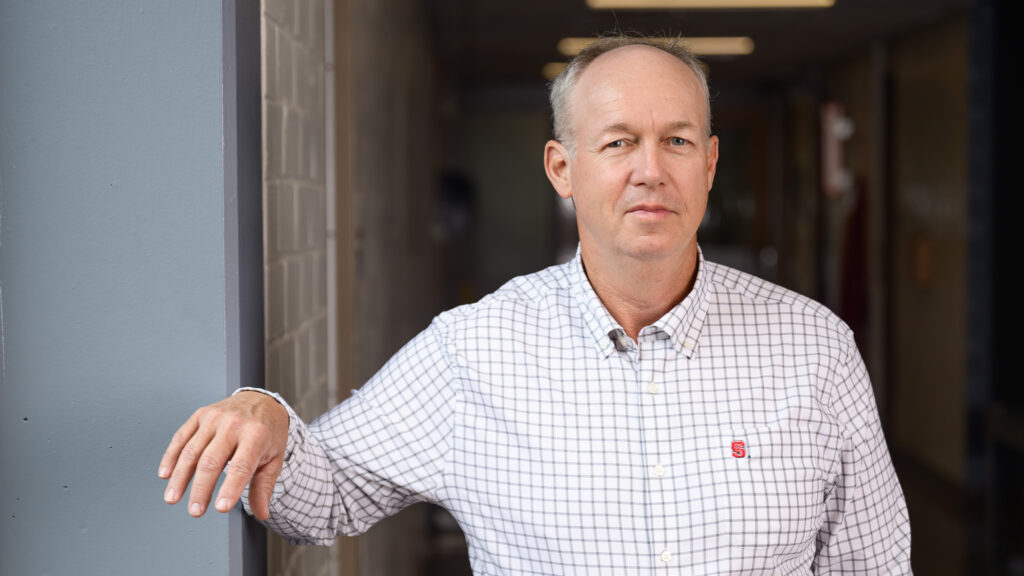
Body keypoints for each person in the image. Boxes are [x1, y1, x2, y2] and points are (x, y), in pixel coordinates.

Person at [159, 36, 911, 574]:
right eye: (618, 143)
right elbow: (325, 500)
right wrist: (261, 413)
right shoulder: (472, 351)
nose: (651, 171)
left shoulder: (815, 348)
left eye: (677, 142)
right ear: (563, 167)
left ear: (709, 165)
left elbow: (872, 565)